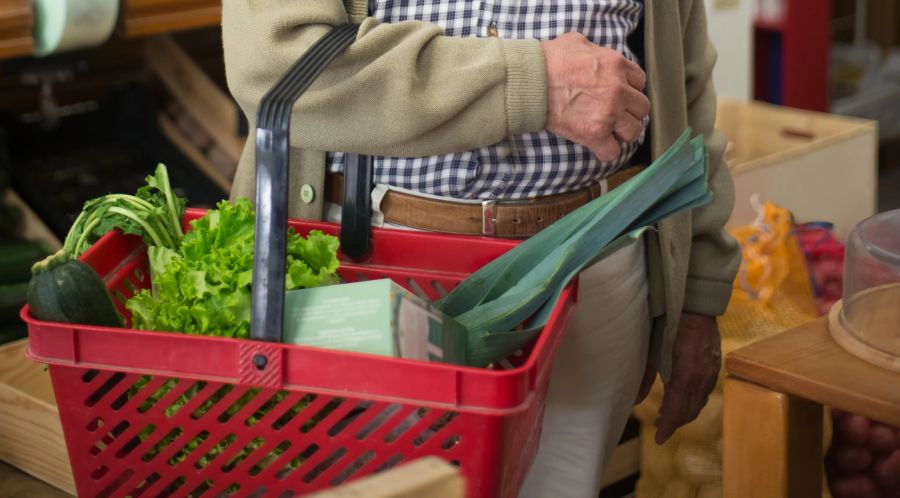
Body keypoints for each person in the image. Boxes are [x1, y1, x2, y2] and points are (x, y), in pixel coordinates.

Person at [223, 0, 741, 496]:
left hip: (599, 260)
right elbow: (274, 63)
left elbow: (685, 80)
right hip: (369, 267)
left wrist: (698, 289)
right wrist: (532, 84)